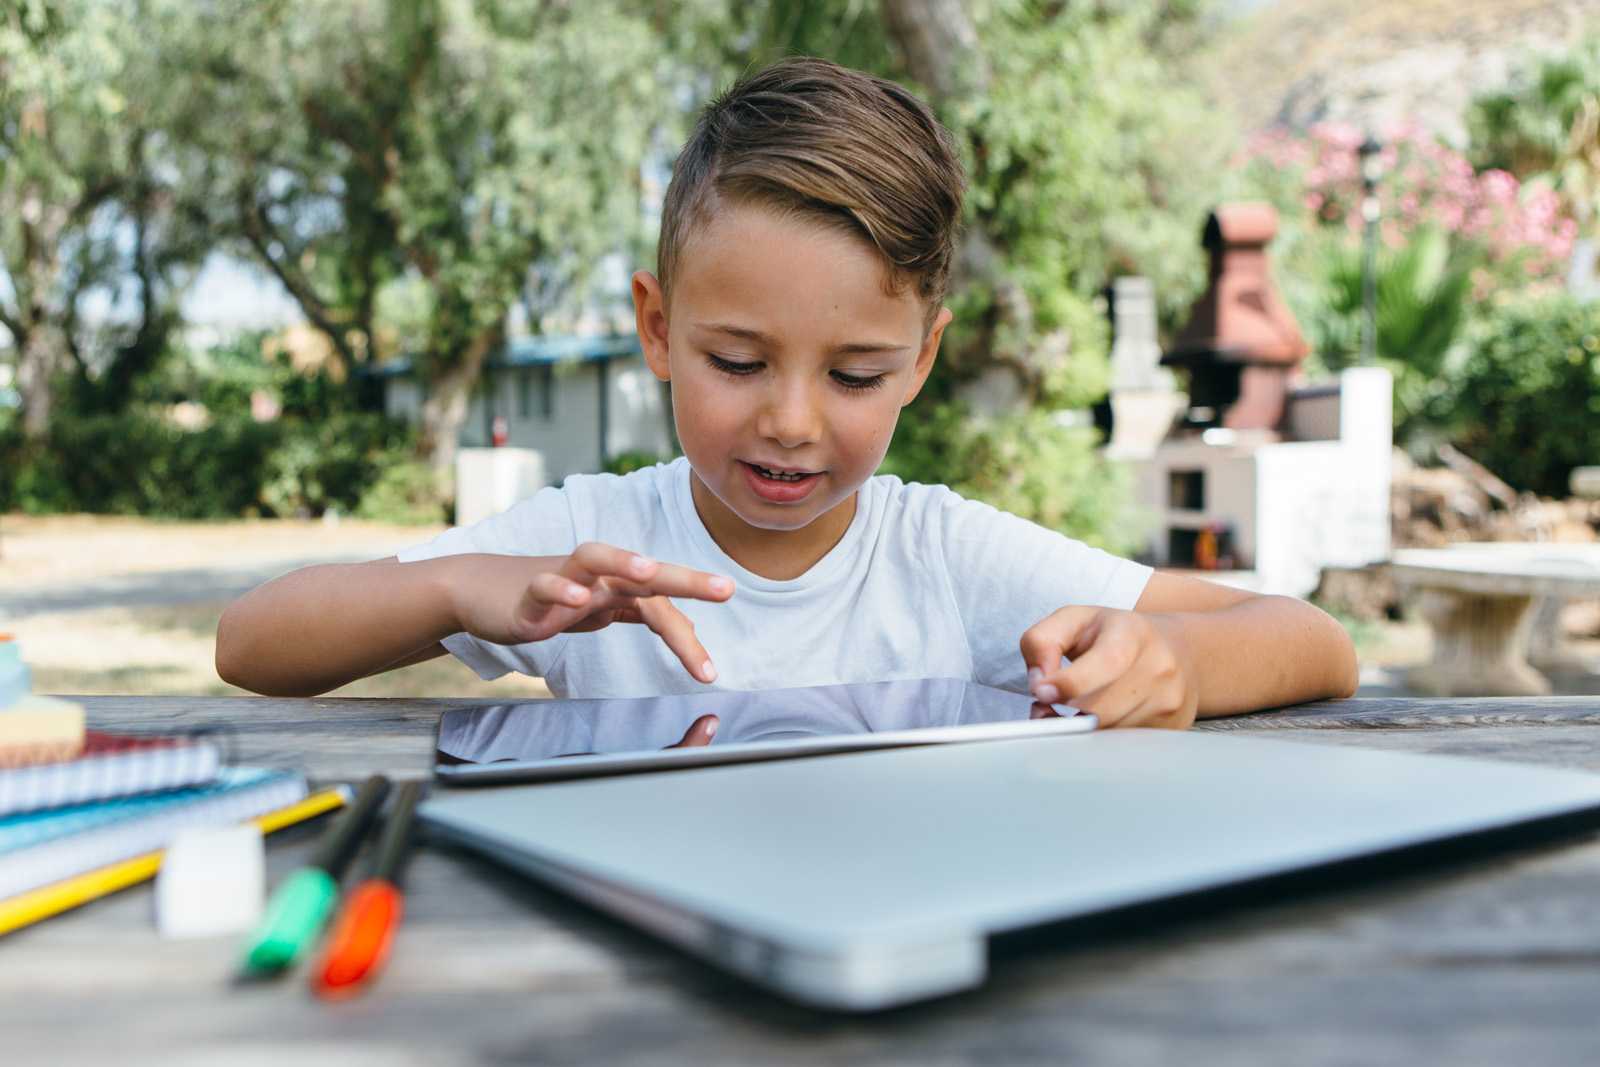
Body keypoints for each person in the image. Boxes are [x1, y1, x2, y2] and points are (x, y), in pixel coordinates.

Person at [216, 57, 1358, 729]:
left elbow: (1315, 640)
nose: (792, 419)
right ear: (657, 328)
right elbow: (250, 641)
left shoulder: (946, 558)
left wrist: (1179, 663)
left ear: (920, 359)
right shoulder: (591, 546)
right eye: (737, 360)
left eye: (855, 372)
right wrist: (470, 586)